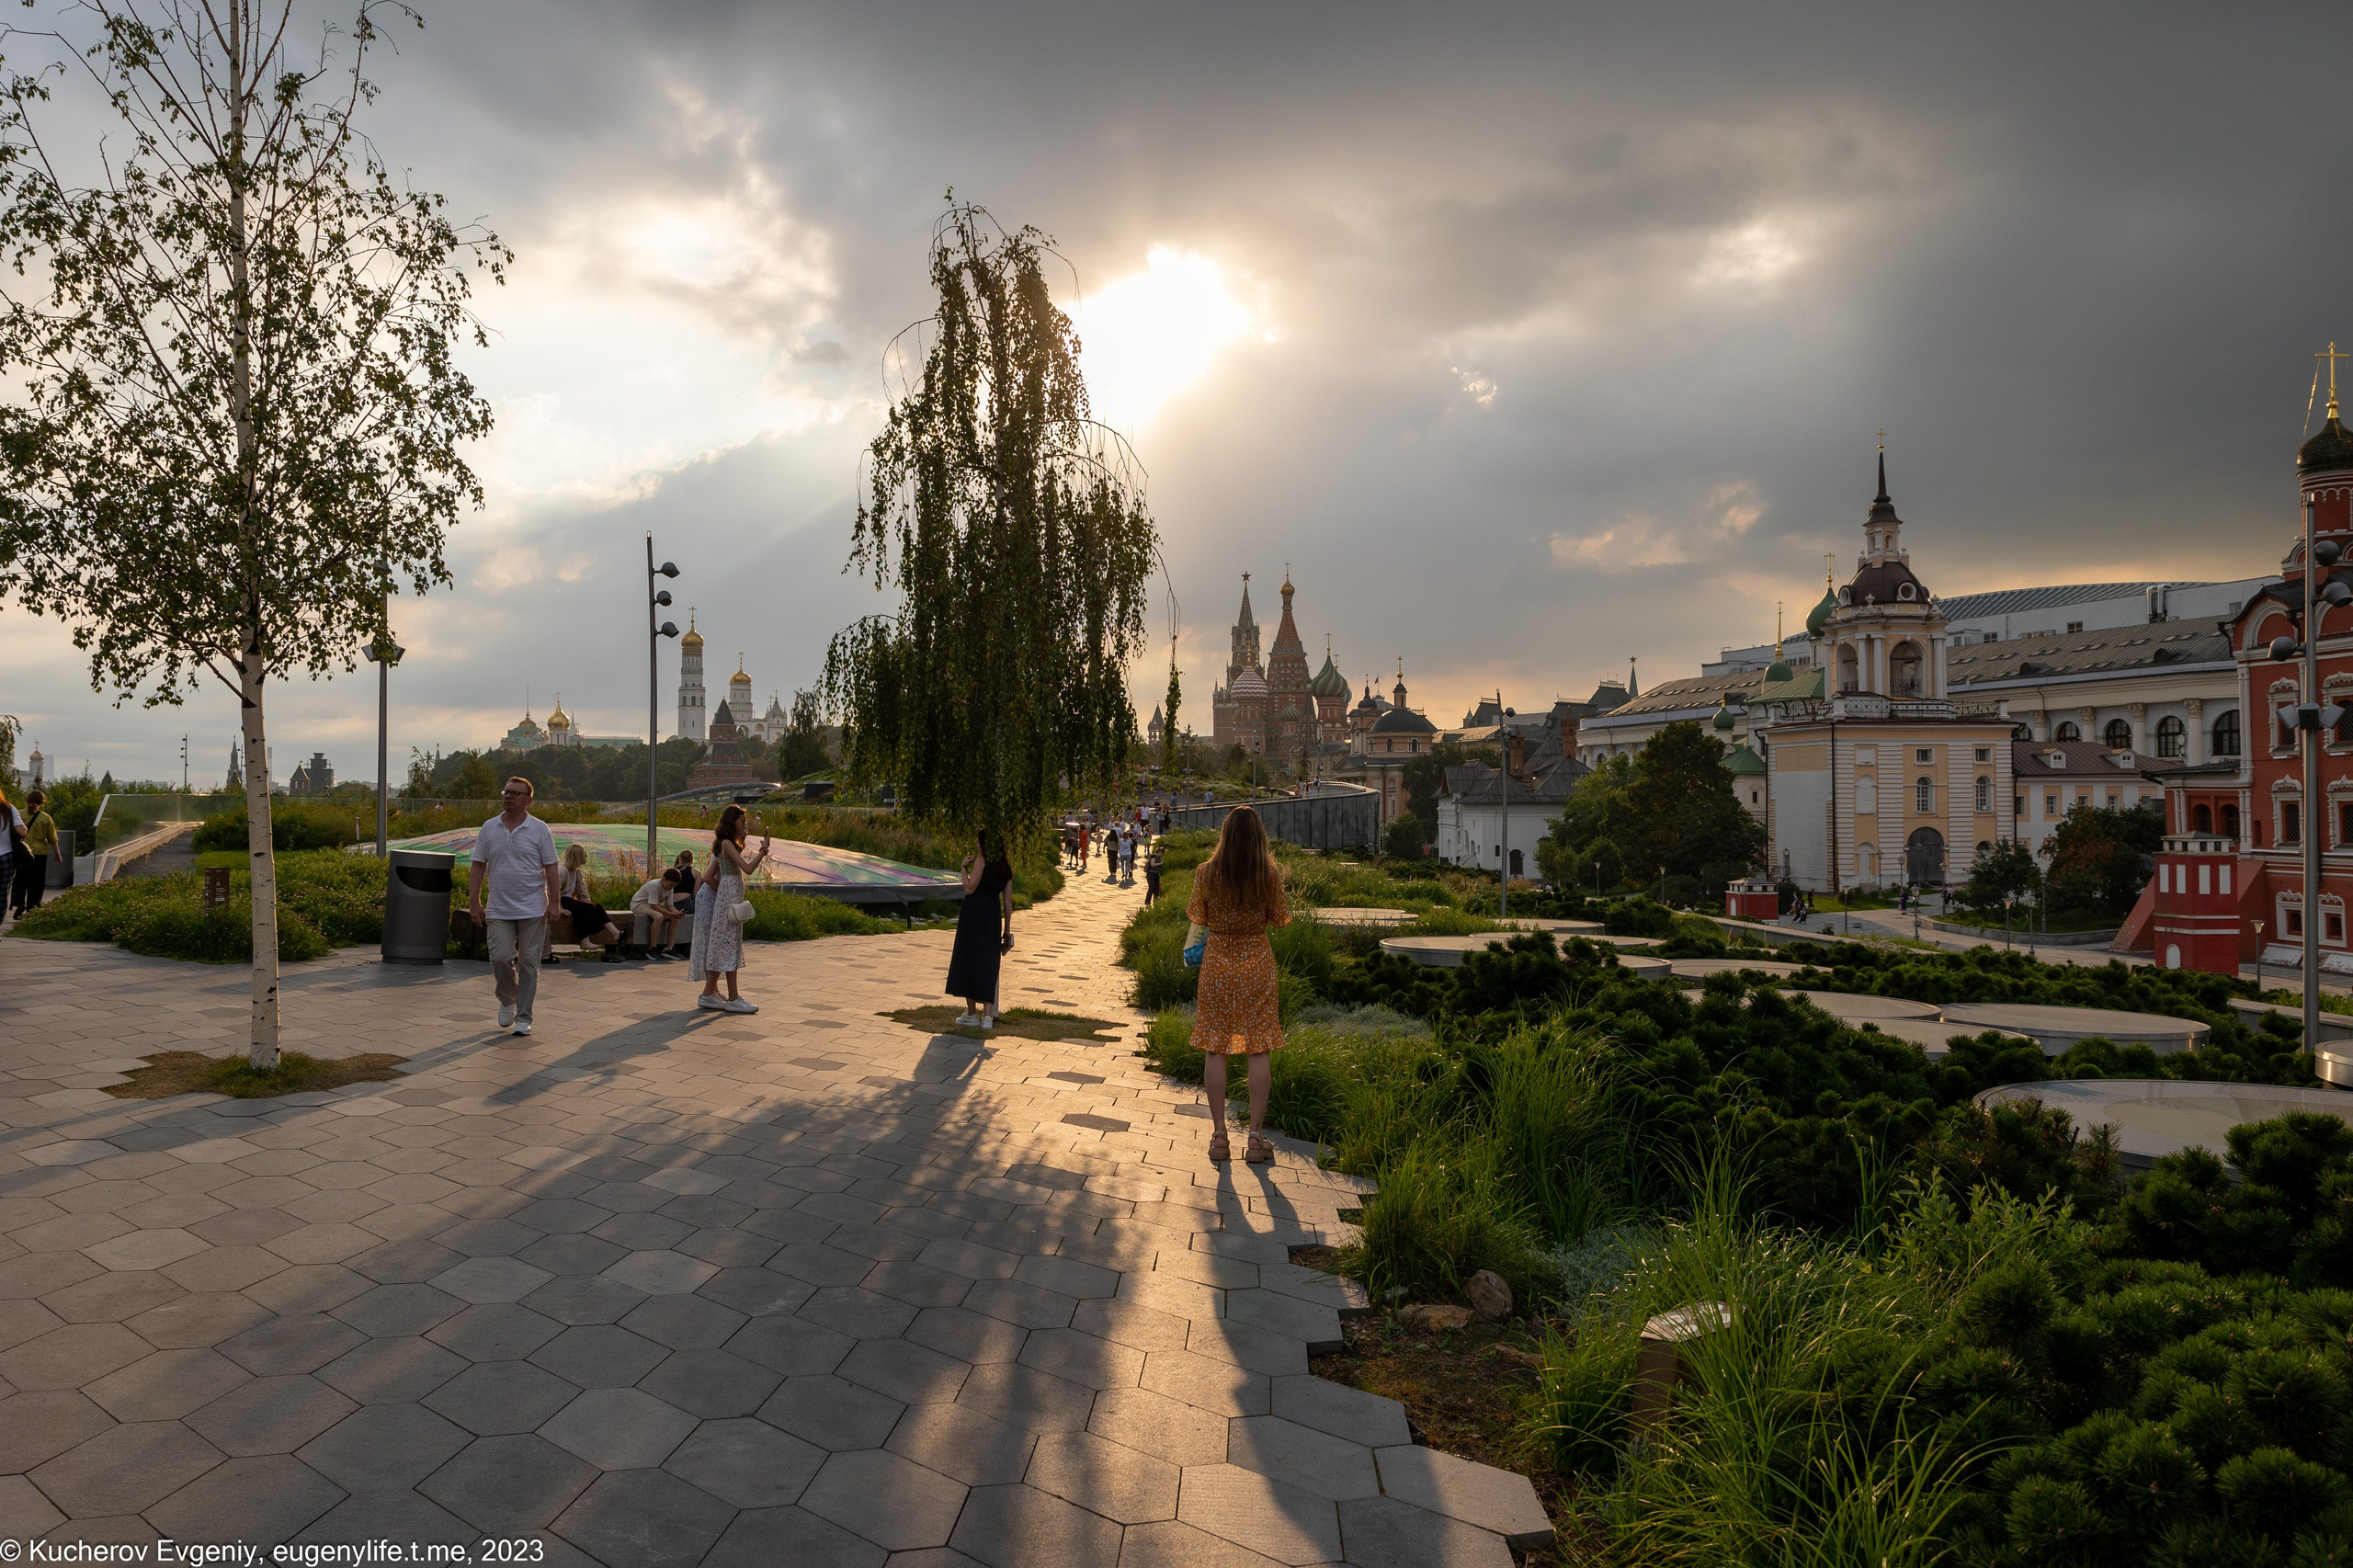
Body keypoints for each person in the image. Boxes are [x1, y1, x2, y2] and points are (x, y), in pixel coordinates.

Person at [1187, 805, 1290, 1164]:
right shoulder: (1269, 875)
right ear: (1260, 836)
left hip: (1217, 963)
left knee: (1215, 1048)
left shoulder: (1206, 872)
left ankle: (1219, 1136)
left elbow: (1198, 916)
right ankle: (1256, 1139)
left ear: (1225, 834)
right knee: (1258, 1048)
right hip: (1257, 964)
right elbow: (1280, 919)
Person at [466, 778, 559, 1037]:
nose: (509, 796)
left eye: (516, 793)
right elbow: (478, 865)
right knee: (500, 957)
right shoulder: (489, 827)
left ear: (528, 800)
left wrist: (555, 903)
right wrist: (474, 903)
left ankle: (524, 1016)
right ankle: (508, 999)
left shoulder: (539, 829)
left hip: (533, 908)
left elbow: (551, 867)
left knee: (529, 961)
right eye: (506, 792)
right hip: (499, 908)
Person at [696, 805, 771, 1014]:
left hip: (728, 896)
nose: (745, 826)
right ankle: (733, 998)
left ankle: (710, 994)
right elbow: (748, 869)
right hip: (729, 896)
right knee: (729, 945)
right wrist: (762, 852)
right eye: (742, 822)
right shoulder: (727, 843)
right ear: (732, 822)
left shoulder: (727, 843)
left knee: (726, 945)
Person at [946, 829, 1014, 1028]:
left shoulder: (981, 862)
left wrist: (963, 868)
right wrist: (1007, 928)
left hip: (974, 913)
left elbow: (969, 888)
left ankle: (971, 1014)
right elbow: (1007, 901)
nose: (977, 845)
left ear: (986, 845)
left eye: (979, 842)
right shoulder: (1006, 869)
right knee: (988, 962)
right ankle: (987, 1017)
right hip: (992, 916)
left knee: (969, 959)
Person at [558, 844, 625, 961]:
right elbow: (552, 892)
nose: (586, 857)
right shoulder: (562, 871)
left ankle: (616, 933)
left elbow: (583, 892)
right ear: (578, 856)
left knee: (596, 906)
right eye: (584, 855)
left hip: (569, 901)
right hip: (561, 900)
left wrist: (590, 905)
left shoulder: (577, 872)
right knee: (589, 908)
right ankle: (584, 941)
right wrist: (560, 909)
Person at [14, 790, 58, 916]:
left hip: (21, 853)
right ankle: (32, 908)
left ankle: (19, 902)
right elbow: (52, 838)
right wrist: (58, 854)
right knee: (37, 882)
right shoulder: (46, 818)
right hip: (39, 854)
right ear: (42, 803)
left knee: (20, 879)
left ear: (27, 800)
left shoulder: (18, 814)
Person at [630, 868, 684, 960]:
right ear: (664, 879)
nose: (672, 887)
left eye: (674, 886)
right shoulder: (655, 885)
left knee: (675, 918)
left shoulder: (670, 888)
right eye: (671, 884)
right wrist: (671, 914)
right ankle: (652, 948)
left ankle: (669, 948)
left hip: (650, 904)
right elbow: (654, 906)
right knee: (659, 917)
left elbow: (669, 905)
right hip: (639, 904)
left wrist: (677, 913)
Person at [1142, 840, 1165, 909]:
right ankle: (1147, 902)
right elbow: (1152, 864)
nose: (1163, 855)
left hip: (1156, 874)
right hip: (1151, 874)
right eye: (1163, 853)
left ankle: (1156, 902)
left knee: (1156, 888)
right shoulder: (1154, 857)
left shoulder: (1158, 858)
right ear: (1160, 852)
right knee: (1151, 887)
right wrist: (1160, 864)